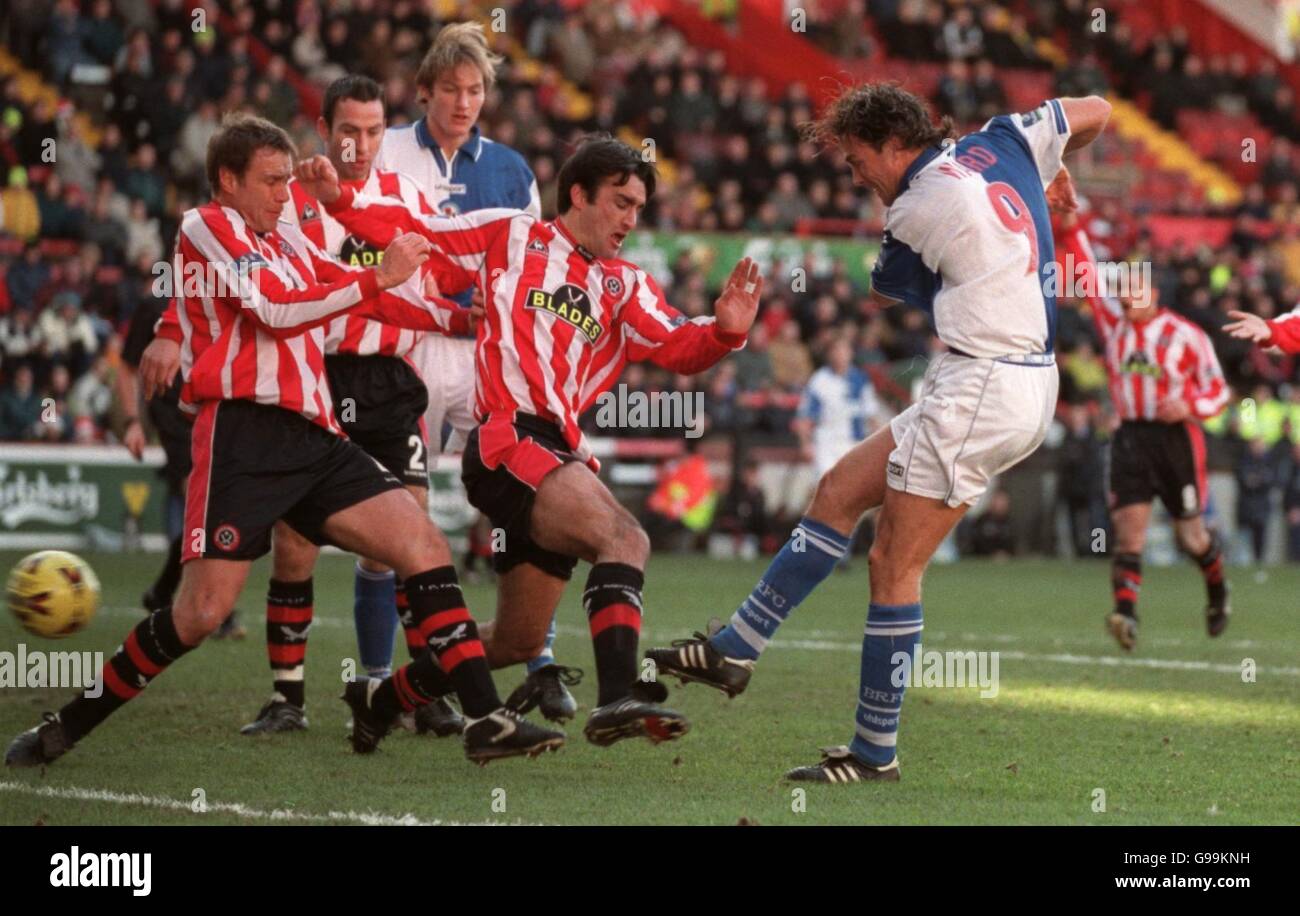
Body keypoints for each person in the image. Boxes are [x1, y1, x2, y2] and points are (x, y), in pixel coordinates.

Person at [5, 114, 563, 768]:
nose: (283, 192)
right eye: (270, 181)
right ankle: (67, 724)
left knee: (422, 541)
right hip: (244, 437)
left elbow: (336, 294)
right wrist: (375, 277)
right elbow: (272, 309)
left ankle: (485, 718)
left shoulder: (287, 232)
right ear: (227, 179)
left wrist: (444, 314)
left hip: (315, 436)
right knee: (199, 615)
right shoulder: (205, 226)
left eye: (285, 180)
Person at [648, 84, 1113, 783]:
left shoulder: (915, 204)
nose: (854, 173)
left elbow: (884, 289)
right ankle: (734, 650)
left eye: (857, 158)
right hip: (1000, 375)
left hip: (983, 385)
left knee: (894, 564)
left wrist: (904, 206)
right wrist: (1055, 166)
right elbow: (1098, 110)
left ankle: (873, 753)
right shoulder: (1006, 138)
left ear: (895, 144)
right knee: (838, 489)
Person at [295, 135, 761, 749]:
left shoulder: (625, 285)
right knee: (625, 536)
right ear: (577, 193)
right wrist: (344, 200)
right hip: (506, 436)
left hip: (553, 455)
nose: (630, 219)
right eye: (621, 202)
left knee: (515, 641)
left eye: (639, 208)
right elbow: (418, 230)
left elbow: (677, 343)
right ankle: (618, 694)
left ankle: (382, 697)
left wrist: (725, 333)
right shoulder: (512, 233)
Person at [236, 74, 466, 738]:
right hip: (316, 377)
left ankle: (414, 691)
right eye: (348, 131)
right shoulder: (290, 200)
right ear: (323, 129)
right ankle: (287, 699)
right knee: (296, 545)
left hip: (392, 382)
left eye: (372, 131)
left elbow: (439, 280)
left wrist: (460, 313)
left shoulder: (405, 198)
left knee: (415, 538)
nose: (360, 145)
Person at [375, 23, 581, 720]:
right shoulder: (388, 151)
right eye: (452, 90)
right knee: (400, 521)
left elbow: (532, 268)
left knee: (523, 496)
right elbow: (364, 242)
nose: (464, 103)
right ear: (424, 89)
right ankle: (395, 681)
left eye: (476, 90)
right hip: (404, 348)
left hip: (485, 354)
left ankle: (541, 659)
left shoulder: (513, 170)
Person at [1056, 212, 1230, 649]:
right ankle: (1126, 614)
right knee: (1129, 531)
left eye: (1133, 289)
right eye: (1123, 289)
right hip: (1131, 437)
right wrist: (1071, 224)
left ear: (1152, 293)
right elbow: (1089, 274)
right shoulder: (1113, 326)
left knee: (1190, 537)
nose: (1125, 296)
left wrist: (1188, 405)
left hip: (1176, 441)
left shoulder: (1186, 336)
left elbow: (1218, 391)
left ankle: (1218, 592)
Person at [116, 294, 246, 640]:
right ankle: (214, 605)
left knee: (213, 510)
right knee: (204, 503)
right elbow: (128, 368)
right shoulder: (153, 304)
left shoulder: (227, 292)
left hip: (217, 409)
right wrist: (132, 421)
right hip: (174, 418)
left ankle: (163, 591)